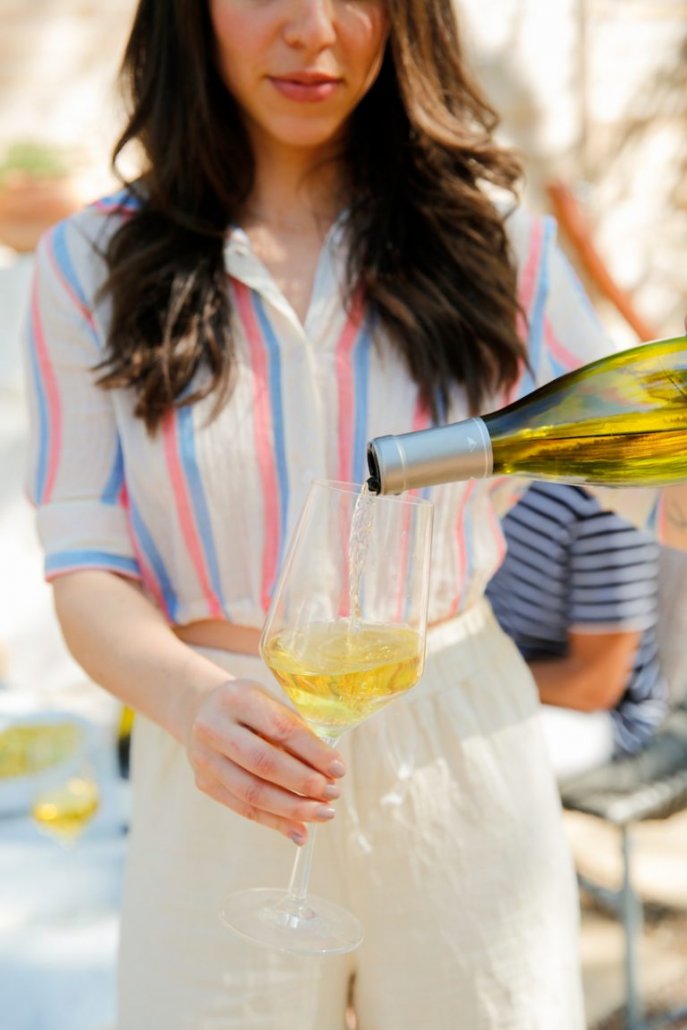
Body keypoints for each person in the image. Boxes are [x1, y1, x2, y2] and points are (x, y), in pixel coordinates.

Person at [20, 2, 685, 1027]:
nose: (314, 30)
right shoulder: (86, 266)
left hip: (461, 752)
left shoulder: (500, 246)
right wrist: (196, 704)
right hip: (217, 757)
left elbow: (649, 482)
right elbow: (86, 566)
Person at [486, 481, 669, 782]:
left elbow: (594, 685)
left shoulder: (609, 502)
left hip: (600, 718)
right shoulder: (509, 465)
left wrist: (481, 680)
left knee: (453, 752)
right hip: (503, 669)